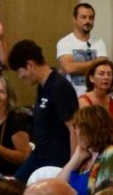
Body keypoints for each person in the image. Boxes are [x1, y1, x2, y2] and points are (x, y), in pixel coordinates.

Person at [12, 40, 78, 181]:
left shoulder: (59, 87)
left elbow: (74, 129)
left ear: (30, 65)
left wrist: (72, 168)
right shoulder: (42, 86)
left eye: (20, 71)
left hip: (55, 159)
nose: (20, 76)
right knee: (12, 188)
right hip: (40, 155)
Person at [56, 1, 107, 94]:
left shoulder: (100, 42)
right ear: (74, 19)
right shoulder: (64, 43)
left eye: (91, 18)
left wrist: (76, 65)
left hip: (94, 97)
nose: (87, 21)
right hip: (72, 97)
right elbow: (69, 68)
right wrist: (96, 63)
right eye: (83, 17)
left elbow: (103, 68)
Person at [77, 60, 113, 129]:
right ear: (91, 78)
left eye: (109, 74)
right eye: (101, 74)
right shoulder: (83, 101)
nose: (106, 77)